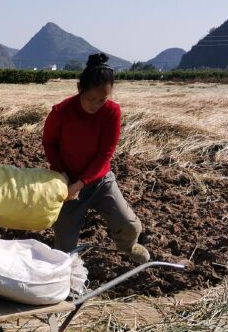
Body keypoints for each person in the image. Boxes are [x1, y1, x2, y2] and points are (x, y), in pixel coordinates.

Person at [42, 53, 150, 264]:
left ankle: (128, 246)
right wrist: (64, 177)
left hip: (99, 181)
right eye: (91, 99)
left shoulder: (112, 112)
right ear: (80, 89)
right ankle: (65, 272)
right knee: (64, 247)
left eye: (102, 100)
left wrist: (83, 183)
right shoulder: (61, 111)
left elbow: (105, 155)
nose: (96, 104)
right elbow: (49, 144)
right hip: (68, 181)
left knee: (130, 225)